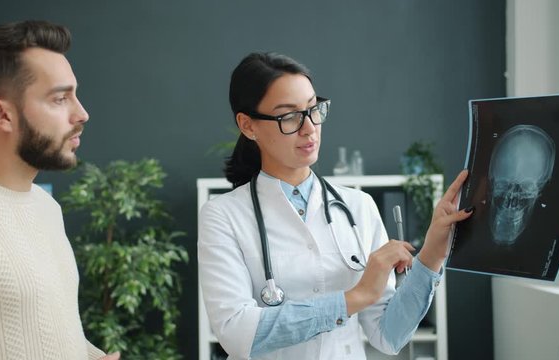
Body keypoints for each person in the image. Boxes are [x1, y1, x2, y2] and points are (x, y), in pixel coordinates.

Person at [197, 52, 474, 360]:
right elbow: (237, 334)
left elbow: (388, 336)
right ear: (248, 126)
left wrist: (432, 255)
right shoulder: (222, 216)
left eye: (313, 109)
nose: (309, 128)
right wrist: (354, 297)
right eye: (289, 116)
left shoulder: (358, 206)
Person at [0, 20, 119, 359]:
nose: (82, 114)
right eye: (60, 98)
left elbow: (37, 331)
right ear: (2, 114)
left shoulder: (46, 208)